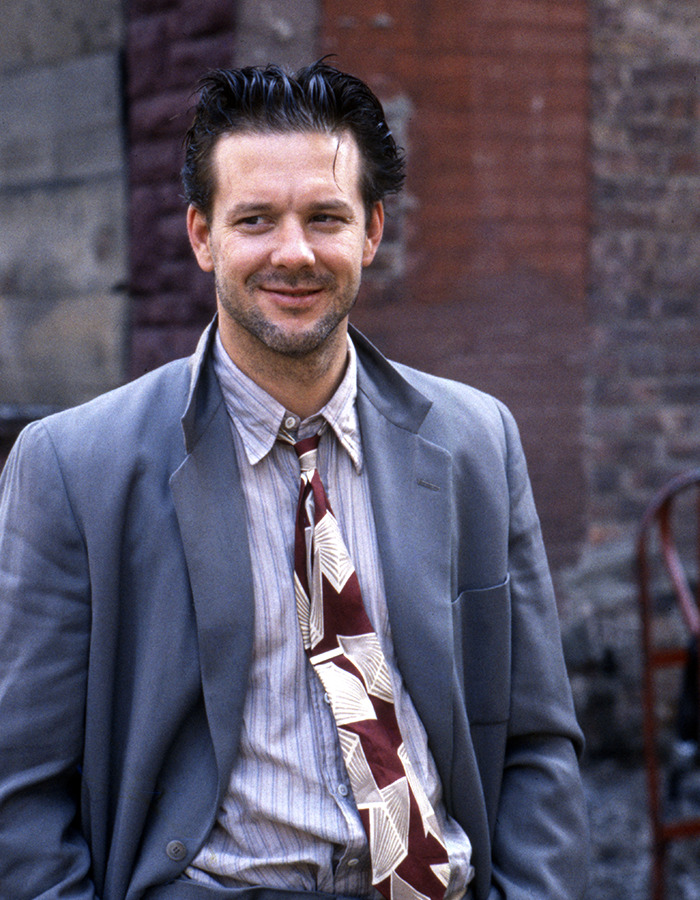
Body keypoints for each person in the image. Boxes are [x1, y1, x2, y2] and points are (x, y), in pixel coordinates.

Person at [0, 61, 589, 900]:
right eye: (255, 220)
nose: (294, 253)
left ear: (371, 230)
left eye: (325, 217)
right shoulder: (73, 468)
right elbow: (21, 788)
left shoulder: (476, 443)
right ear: (202, 236)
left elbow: (537, 745)